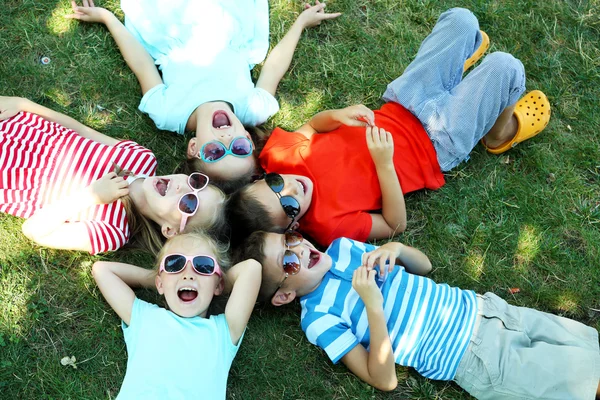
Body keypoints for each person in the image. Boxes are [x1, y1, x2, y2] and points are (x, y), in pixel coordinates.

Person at [226, 8, 551, 247]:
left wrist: (337, 115)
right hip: (438, 144)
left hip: (403, 103)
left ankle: (456, 78)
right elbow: (394, 224)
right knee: (506, 66)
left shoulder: (280, 159)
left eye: (274, 183)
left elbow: (313, 125)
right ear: (293, 228)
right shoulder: (327, 226)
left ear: (262, 176)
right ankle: (497, 132)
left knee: (462, 20)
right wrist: (384, 164)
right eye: (288, 205)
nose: (292, 188)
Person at [233, 230, 600, 399]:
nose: (299, 248)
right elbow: (382, 379)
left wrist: (397, 248)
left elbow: (424, 267)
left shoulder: (344, 247)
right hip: (471, 356)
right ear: (283, 295)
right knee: (582, 384)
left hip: (487, 309)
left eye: (291, 238)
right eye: (288, 259)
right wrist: (373, 308)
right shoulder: (318, 319)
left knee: (590, 348)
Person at [66, 0, 341, 189]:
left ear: (194, 148)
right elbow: (274, 67)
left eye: (214, 151)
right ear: (248, 138)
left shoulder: (169, 113)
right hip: (228, 15)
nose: (226, 138)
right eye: (240, 148)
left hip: (171, 19)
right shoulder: (253, 109)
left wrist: (108, 18)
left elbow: (142, 64)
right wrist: (300, 23)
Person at [0, 96, 227, 255]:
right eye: (196, 182)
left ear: (171, 230)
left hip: (8, 172)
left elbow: (34, 230)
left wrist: (91, 196)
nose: (182, 188)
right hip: (19, 125)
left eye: (189, 203)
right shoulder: (143, 158)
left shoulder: (114, 231)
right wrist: (24, 104)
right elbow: (81, 132)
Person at [92, 231, 261, 398]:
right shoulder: (144, 317)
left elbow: (251, 269)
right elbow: (103, 270)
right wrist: (162, 281)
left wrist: (213, 282)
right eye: (174, 264)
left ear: (218, 286)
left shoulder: (223, 332)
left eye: (203, 266)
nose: (188, 275)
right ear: (160, 284)